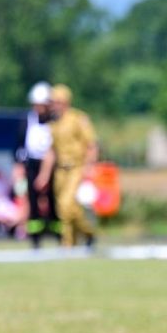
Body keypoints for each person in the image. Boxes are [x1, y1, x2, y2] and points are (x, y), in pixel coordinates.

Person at [39, 84, 99, 247]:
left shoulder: (78, 119)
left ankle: (88, 233)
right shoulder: (53, 124)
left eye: (55, 101)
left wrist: (89, 167)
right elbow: (51, 152)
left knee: (67, 205)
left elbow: (91, 145)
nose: (52, 105)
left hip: (76, 168)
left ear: (64, 102)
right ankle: (69, 245)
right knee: (62, 209)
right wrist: (44, 175)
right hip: (60, 170)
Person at [16, 81, 58, 248]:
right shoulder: (27, 121)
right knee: (33, 202)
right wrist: (19, 167)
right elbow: (19, 146)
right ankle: (35, 238)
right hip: (31, 165)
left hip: (51, 165)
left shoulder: (55, 122)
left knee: (53, 202)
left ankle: (58, 235)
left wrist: (46, 174)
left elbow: (53, 149)